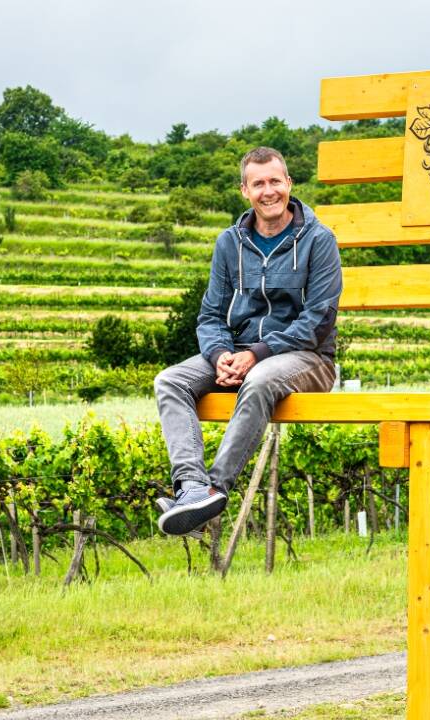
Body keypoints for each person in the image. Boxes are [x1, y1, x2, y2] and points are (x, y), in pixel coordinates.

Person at [154, 146, 342, 536]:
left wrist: (255, 354)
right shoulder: (229, 243)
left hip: (307, 357)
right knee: (170, 380)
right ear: (245, 190)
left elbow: (319, 318)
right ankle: (190, 487)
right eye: (258, 184)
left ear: (289, 183)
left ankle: (213, 487)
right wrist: (221, 354)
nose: (268, 191)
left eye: (275, 181)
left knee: (258, 380)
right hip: (239, 351)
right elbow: (210, 315)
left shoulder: (319, 240)